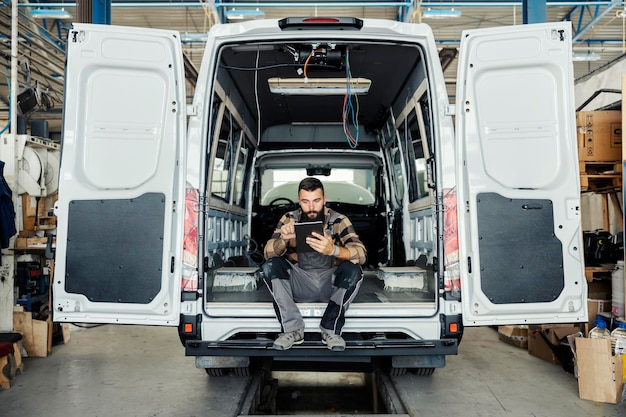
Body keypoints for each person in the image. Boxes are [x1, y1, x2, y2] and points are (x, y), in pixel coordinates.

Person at [262, 177, 367, 351]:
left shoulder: (338, 220)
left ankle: (331, 330)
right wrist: (283, 240)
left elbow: (361, 253)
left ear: (324, 199)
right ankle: (293, 330)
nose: (311, 207)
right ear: (299, 200)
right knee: (271, 266)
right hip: (299, 283)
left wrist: (334, 250)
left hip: (331, 284)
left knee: (354, 269)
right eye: (305, 201)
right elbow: (267, 254)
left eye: (316, 201)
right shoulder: (289, 219)